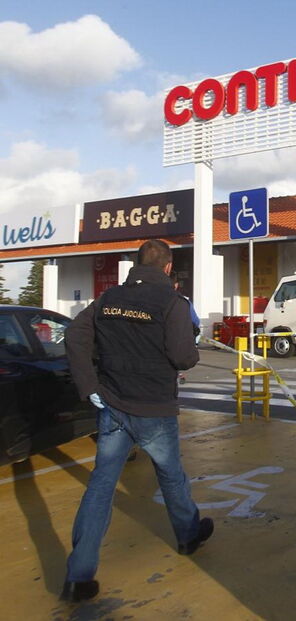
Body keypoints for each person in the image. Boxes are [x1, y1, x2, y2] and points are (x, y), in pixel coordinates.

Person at [60, 239, 212, 603]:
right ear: (167, 268)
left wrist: (90, 385)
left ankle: (78, 576)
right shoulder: (173, 303)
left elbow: (74, 335)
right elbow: (182, 358)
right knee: (171, 476)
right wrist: (193, 344)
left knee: (101, 485)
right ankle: (188, 535)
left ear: (137, 264)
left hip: (112, 406)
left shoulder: (108, 299)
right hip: (154, 409)